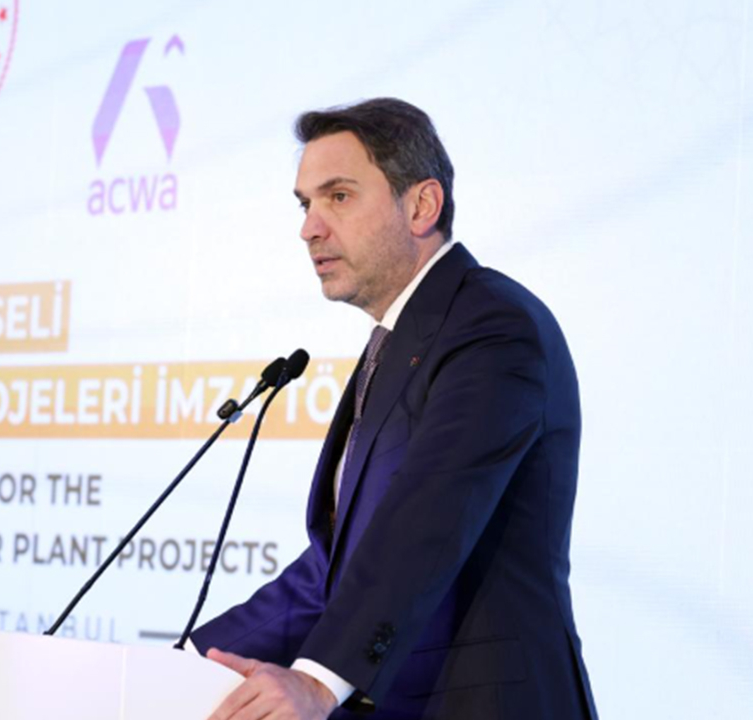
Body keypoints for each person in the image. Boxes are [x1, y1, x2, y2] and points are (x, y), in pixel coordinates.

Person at [190, 98, 598, 720]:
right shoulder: (396, 341)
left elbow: (428, 517)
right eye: (305, 204)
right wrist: (192, 663)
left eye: (339, 196)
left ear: (421, 205)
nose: (309, 228)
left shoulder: (493, 327)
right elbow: (334, 572)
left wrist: (318, 682)